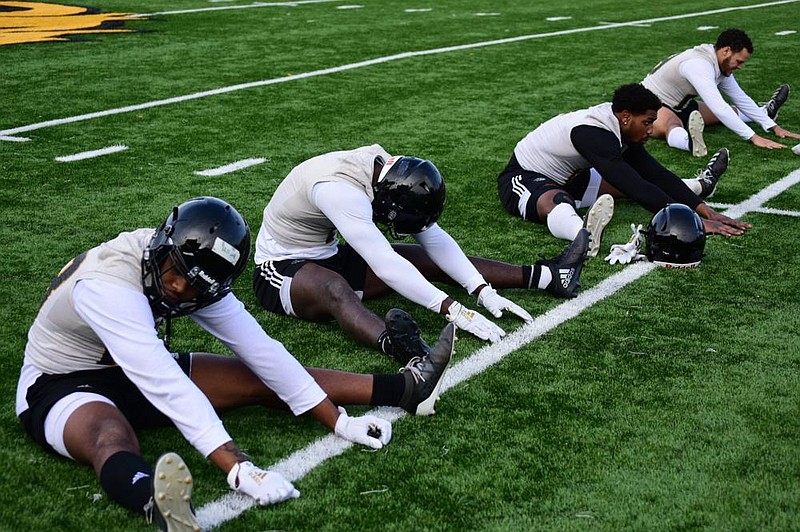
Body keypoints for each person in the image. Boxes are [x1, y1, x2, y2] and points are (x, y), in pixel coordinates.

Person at [16, 196, 455, 531]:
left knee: (251, 375)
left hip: (129, 368)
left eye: (193, 287)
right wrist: (238, 468)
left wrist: (338, 422)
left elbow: (262, 351)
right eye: (173, 273)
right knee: (110, 434)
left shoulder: (193, 275)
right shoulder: (109, 286)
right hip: (61, 383)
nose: (176, 289)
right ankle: (154, 498)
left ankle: (405, 390)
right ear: (163, 245)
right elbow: (166, 384)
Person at [252, 146, 590, 362]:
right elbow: (385, 265)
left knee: (419, 257)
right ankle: (400, 349)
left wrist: (481, 290)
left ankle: (548, 276)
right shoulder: (340, 192)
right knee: (334, 290)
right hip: (281, 267)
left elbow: (433, 237)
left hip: (326, 252)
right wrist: (452, 309)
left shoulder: (387, 173)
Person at [496, 83, 750, 256]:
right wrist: (692, 222)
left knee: (636, 179)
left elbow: (655, 174)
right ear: (627, 117)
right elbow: (636, 187)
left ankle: (700, 186)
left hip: (572, 176)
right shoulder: (594, 132)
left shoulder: (618, 126)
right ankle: (582, 235)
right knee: (558, 200)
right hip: (525, 176)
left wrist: (704, 210)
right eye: (648, 122)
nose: (651, 130)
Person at [642, 28, 799, 156]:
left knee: (730, 111)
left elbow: (740, 98)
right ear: (726, 51)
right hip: (651, 103)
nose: (740, 66)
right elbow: (719, 107)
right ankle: (689, 143)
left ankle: (766, 112)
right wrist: (754, 137)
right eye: (739, 61)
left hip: (682, 103)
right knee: (672, 123)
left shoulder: (719, 62)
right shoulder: (699, 65)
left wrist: (773, 127)